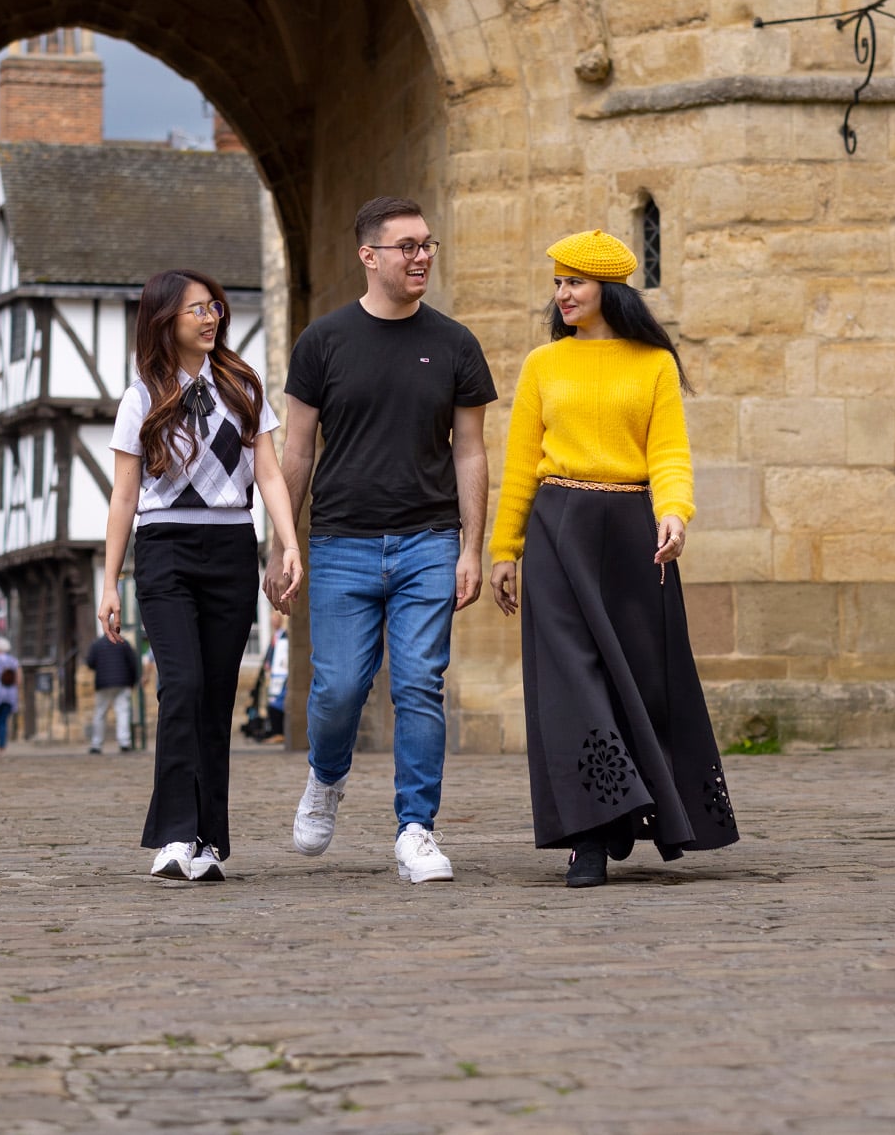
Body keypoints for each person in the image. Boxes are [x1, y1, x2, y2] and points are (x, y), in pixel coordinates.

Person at [488, 229, 738, 888]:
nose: (563, 293)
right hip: (556, 528)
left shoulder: (653, 363)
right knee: (571, 683)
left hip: (633, 531)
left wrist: (675, 513)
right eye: (558, 282)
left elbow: (670, 453)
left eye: (574, 281)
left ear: (609, 288)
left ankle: (629, 810)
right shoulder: (544, 363)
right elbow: (518, 464)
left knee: (640, 681)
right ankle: (591, 836)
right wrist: (503, 549)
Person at [275, 196, 496, 885]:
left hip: (429, 538)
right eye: (407, 245)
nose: (422, 255)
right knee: (339, 687)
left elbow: (470, 451)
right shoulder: (324, 342)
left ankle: (415, 828)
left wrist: (470, 547)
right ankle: (326, 776)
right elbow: (297, 448)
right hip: (342, 540)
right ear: (369, 255)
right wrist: (282, 542)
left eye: (427, 244)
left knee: (419, 684)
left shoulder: (456, 343)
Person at [99, 269, 304, 882]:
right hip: (164, 549)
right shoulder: (141, 396)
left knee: (216, 699)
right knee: (181, 687)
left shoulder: (243, 386)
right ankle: (173, 835)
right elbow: (124, 495)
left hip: (231, 547)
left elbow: (268, 473)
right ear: (165, 320)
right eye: (195, 310)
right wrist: (110, 582)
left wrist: (289, 545)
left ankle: (210, 842)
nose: (210, 317)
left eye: (214, 306)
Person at [85, 629, 139, 755]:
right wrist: (132, 682)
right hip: (122, 682)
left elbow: (90, 663)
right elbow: (133, 663)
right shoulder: (123, 643)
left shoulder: (97, 644)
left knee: (100, 713)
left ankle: (96, 744)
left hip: (103, 683)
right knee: (123, 712)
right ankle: (124, 742)